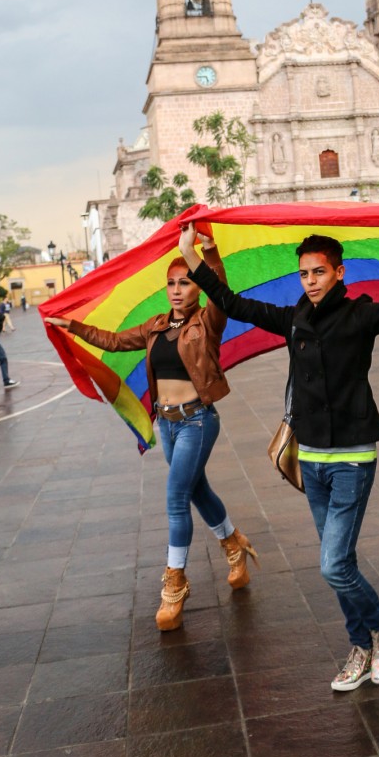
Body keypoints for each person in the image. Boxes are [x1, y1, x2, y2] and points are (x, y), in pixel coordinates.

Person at [179, 223, 379, 691]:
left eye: (320, 271)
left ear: (339, 273)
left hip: (352, 457)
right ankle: (361, 646)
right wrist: (193, 256)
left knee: (332, 565)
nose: (311, 280)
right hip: (311, 459)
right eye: (304, 273)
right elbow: (234, 304)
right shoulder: (293, 320)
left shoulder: (360, 316)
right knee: (338, 562)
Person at [45, 246, 258, 632]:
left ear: (197, 287)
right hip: (169, 424)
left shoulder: (208, 321)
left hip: (197, 421)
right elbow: (111, 341)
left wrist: (207, 257)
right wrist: (73, 327)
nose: (177, 290)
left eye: (186, 282)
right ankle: (234, 544)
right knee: (196, 491)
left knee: (177, 497)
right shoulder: (156, 326)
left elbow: (221, 293)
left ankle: (175, 584)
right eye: (172, 283)